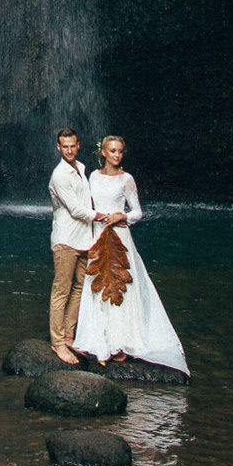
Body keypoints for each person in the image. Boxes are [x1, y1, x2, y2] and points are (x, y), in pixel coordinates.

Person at [69, 134, 189, 375]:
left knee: (121, 286)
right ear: (103, 153)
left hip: (120, 236)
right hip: (98, 235)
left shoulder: (127, 179)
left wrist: (122, 216)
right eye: (112, 151)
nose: (117, 155)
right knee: (97, 284)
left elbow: (138, 212)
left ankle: (121, 341)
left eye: (120, 151)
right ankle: (97, 338)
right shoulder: (93, 177)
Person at [47, 127, 98, 364]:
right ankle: (57, 343)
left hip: (84, 239)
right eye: (64, 147)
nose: (69, 150)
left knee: (80, 288)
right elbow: (76, 209)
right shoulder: (59, 175)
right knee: (62, 291)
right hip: (66, 240)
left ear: (78, 145)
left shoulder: (81, 168)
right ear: (58, 147)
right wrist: (102, 216)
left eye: (72, 146)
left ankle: (69, 336)